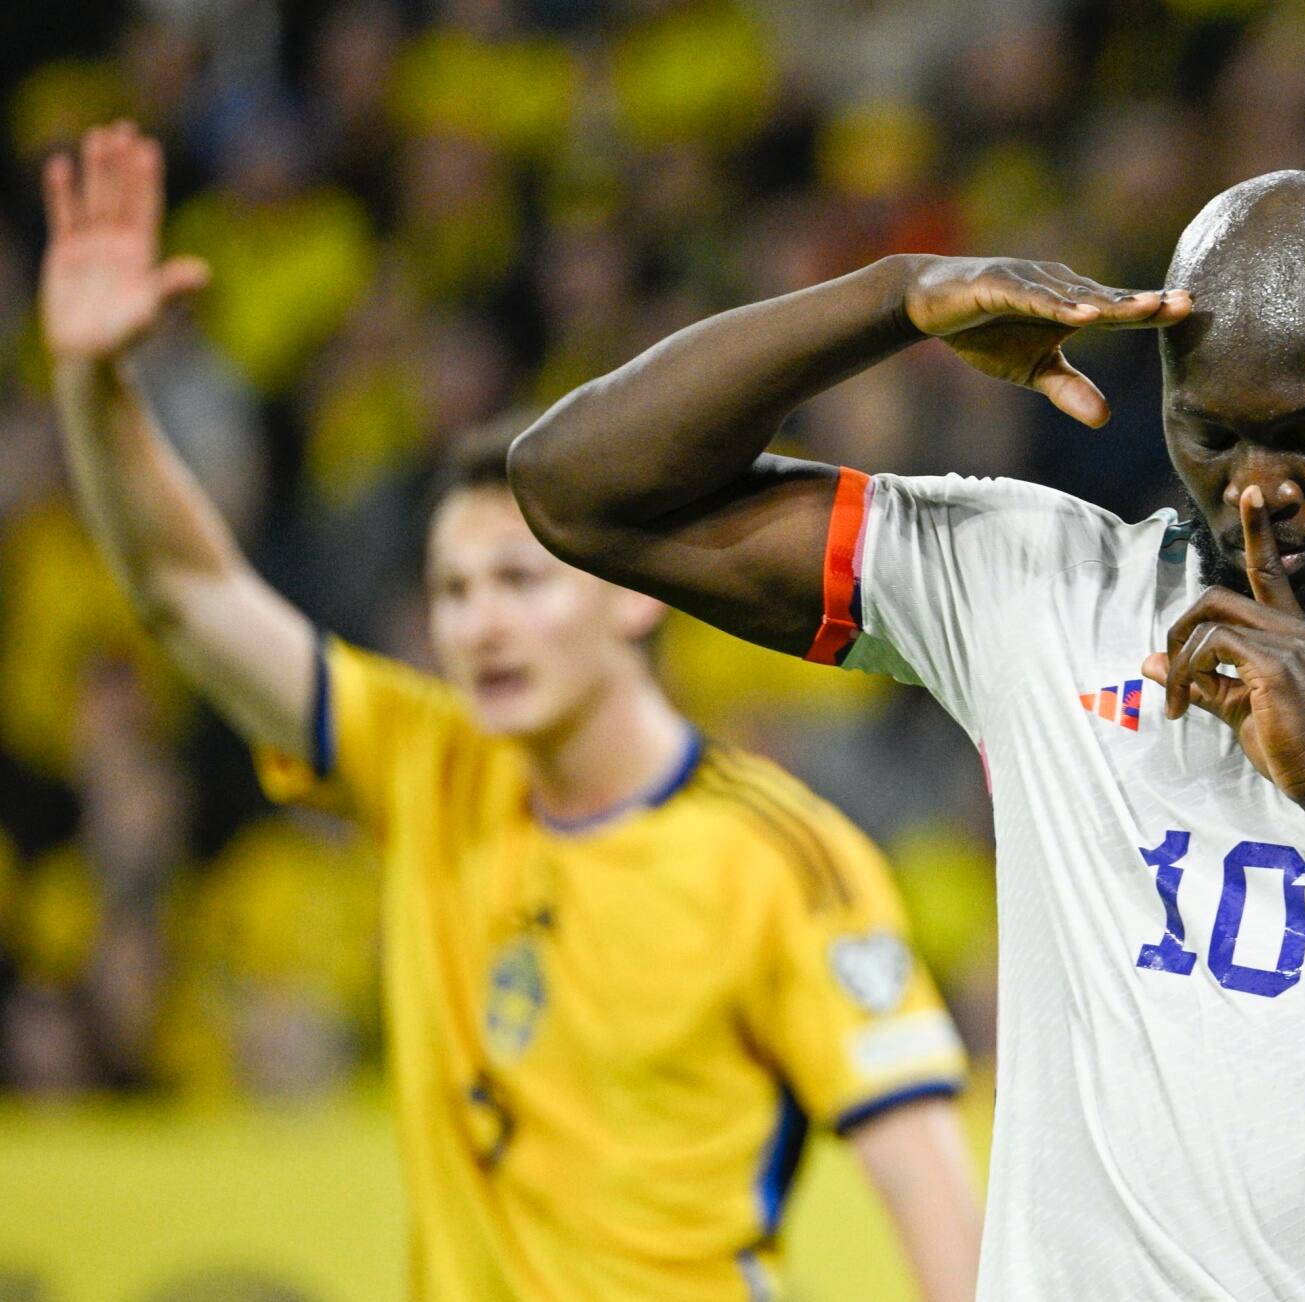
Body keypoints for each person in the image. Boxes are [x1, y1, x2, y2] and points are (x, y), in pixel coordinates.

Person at [511, 170, 1305, 1300]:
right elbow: (580, 488)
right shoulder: (1040, 590)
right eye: (1211, 434)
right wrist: (894, 302)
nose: (1255, 487)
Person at [39, 121, 981, 1302]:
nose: (480, 624)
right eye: (452, 590)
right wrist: (95, 384)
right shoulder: (428, 764)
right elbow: (187, 593)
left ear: (633, 600)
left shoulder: (773, 859)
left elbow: (927, 1183)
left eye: (519, 583)